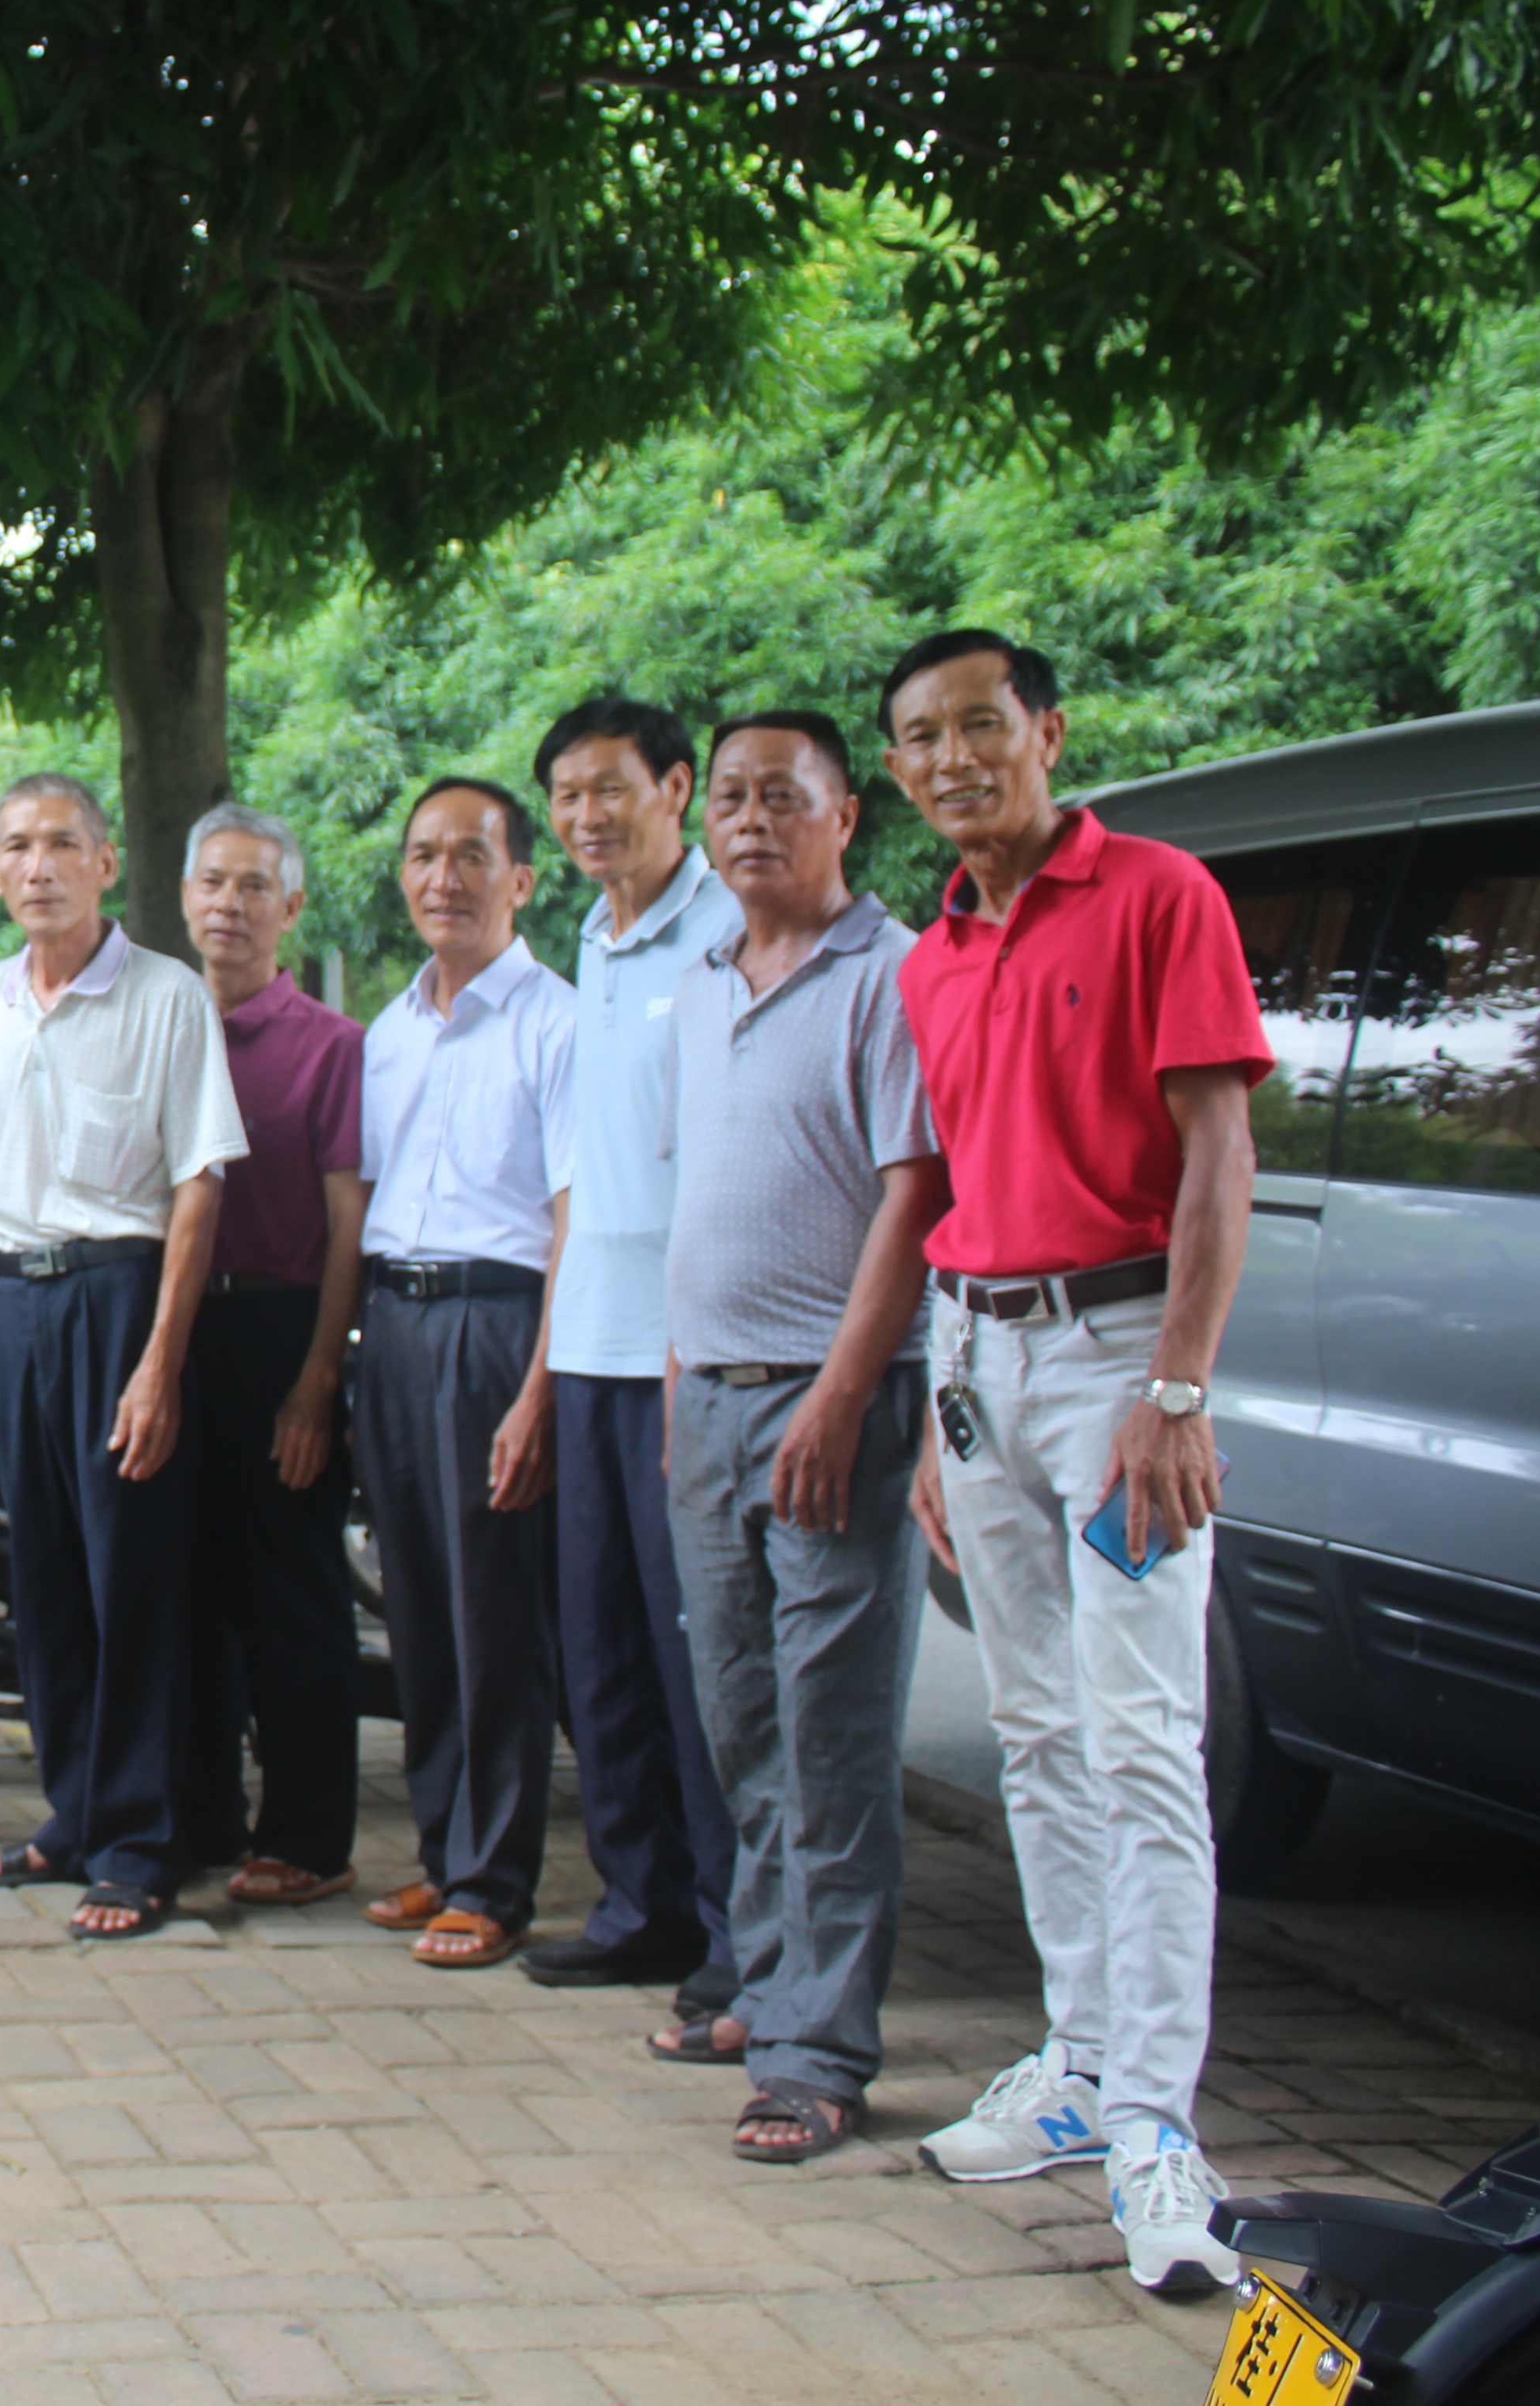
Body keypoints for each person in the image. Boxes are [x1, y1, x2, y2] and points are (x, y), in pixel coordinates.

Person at [881, 630, 1268, 2296]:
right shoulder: (933, 956)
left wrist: (1175, 1392)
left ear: (1047, 731)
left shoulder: (1162, 895)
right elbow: (960, 1192)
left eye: (984, 726)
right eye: (921, 738)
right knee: (1036, 1734)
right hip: (978, 1357)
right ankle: (1081, 2071)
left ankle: (1161, 2126)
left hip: (1118, 1365)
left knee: (1143, 1743)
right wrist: (927, 1408)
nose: (956, 758)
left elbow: (1216, 1158)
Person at [657, 711, 949, 2163]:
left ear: (850, 819)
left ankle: (819, 2055)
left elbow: (915, 1195)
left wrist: (842, 1394)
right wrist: (672, 1383)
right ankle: (768, 1990)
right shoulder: (708, 981)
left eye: (786, 796)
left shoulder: (891, 978)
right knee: (742, 1721)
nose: (751, 819)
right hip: (705, 1396)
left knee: (830, 1736)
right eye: (731, 797)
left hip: (833, 1395)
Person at [0, 774, 246, 1944]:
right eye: (16, 846)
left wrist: (160, 1365)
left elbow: (198, 1184)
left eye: (62, 843)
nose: (38, 866)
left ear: (107, 862)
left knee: (135, 1582)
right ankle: (69, 1816)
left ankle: (137, 1843)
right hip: (13, 1304)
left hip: (122, 1301)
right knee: (48, 1582)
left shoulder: (167, 997)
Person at [525, 698, 745, 2002]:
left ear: (676, 789)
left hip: (686, 1353)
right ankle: (639, 1903)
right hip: (589, 1345)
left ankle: (731, 1933)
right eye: (566, 795)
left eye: (612, 790)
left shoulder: (727, 934)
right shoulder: (598, 943)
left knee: (693, 1654)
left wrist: (688, 1352)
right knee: (597, 1645)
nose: (587, 818)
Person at [352, 776, 578, 1970]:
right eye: (425, 854)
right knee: (420, 1608)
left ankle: (494, 1882)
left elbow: (573, 1215)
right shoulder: (390, 1032)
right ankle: (444, 1849)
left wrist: (540, 1387)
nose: (445, 877)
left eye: (472, 857)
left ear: (521, 881)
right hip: (394, 1326)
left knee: (496, 1612)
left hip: (499, 1329)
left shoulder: (556, 1023)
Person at [170, 802, 368, 1912]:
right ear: (185, 896)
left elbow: (348, 1226)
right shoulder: (156, 1023)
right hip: (170, 1334)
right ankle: (199, 1815)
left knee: (290, 1589)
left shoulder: (330, 1049)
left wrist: (318, 1379)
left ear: (289, 909)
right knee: (183, 1581)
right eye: (213, 883)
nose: (230, 906)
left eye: (254, 887)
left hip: (279, 1329)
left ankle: (306, 1833)